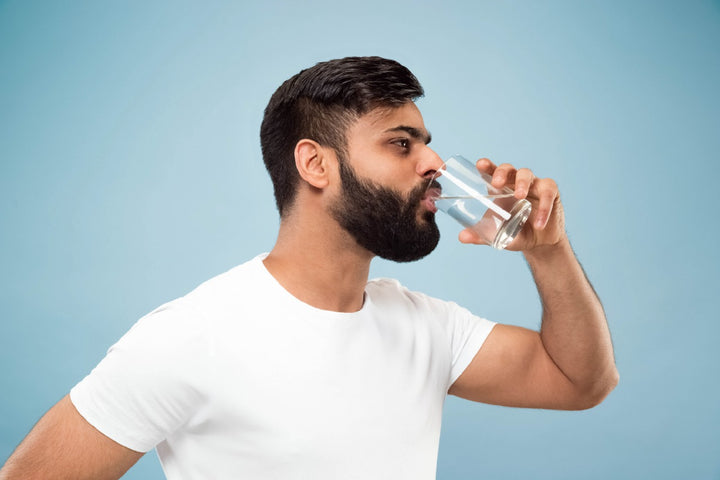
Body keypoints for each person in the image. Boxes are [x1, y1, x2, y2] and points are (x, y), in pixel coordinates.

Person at [0, 56, 618, 480]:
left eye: (427, 142)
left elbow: (580, 381)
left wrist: (548, 250)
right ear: (315, 165)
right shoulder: (191, 336)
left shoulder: (426, 326)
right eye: (401, 143)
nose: (432, 162)